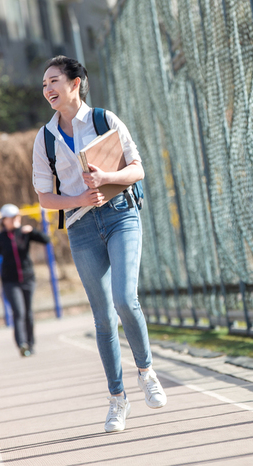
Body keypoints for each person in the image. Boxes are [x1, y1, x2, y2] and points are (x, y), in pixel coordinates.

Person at [32, 56, 167, 433]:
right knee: (104, 318)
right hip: (81, 228)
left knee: (125, 299)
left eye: (54, 81)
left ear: (76, 83)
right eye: (44, 84)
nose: (48, 89)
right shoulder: (44, 139)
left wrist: (108, 176)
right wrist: (78, 200)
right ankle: (117, 399)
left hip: (121, 214)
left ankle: (147, 372)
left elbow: (138, 168)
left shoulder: (104, 120)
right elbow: (45, 197)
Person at [0, 203, 50, 356]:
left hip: (28, 279)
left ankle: (31, 343)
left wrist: (32, 230)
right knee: (19, 311)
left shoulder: (25, 233)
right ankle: (22, 344)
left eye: (17, 217)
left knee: (28, 312)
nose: (15, 220)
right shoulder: (0, 239)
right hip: (10, 282)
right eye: (11, 218)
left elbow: (46, 240)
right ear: (4, 220)